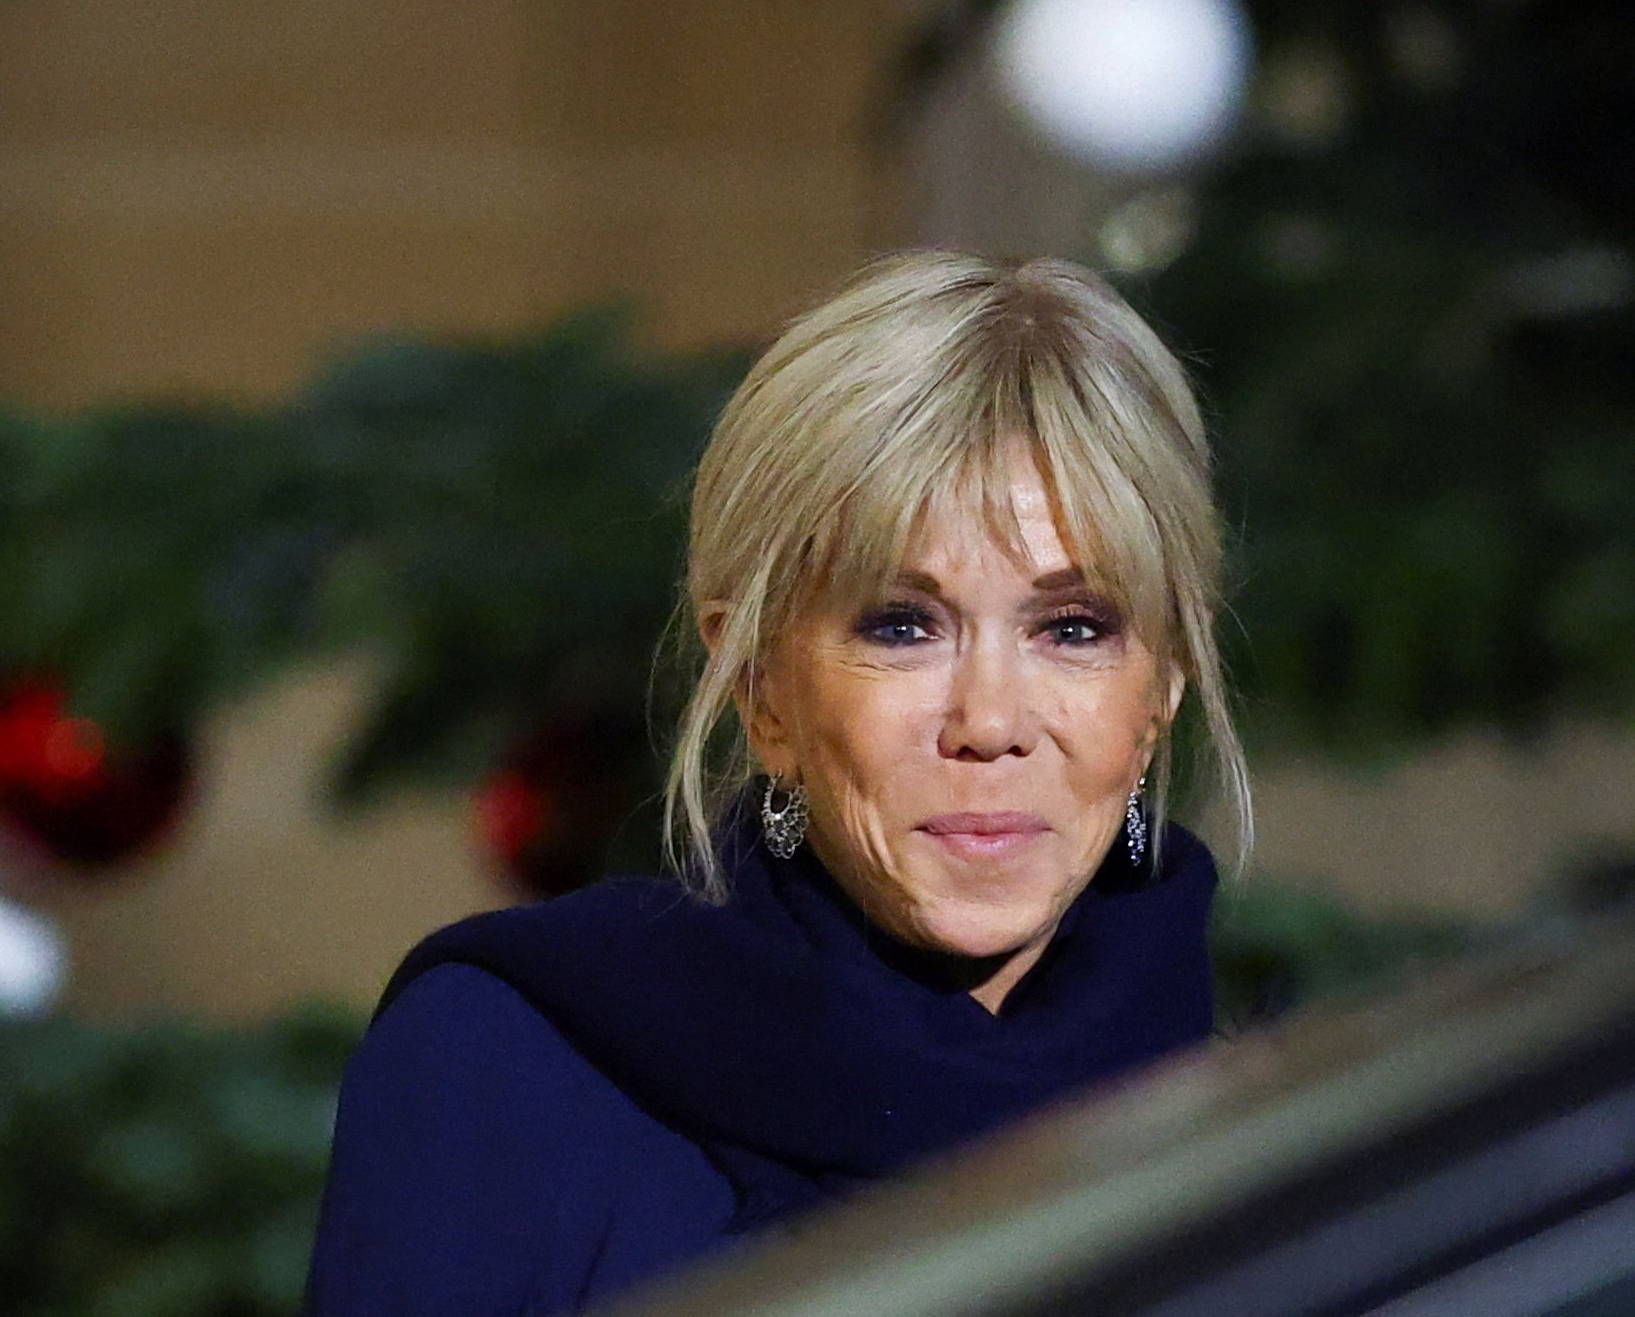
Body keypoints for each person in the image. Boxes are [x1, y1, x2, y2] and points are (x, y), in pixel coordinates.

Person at [302, 251, 1253, 1316]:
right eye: (903, 626)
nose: (990, 723)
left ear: (1162, 686)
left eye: (1073, 629)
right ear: (761, 690)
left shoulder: (1282, 1135)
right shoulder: (500, 1072)